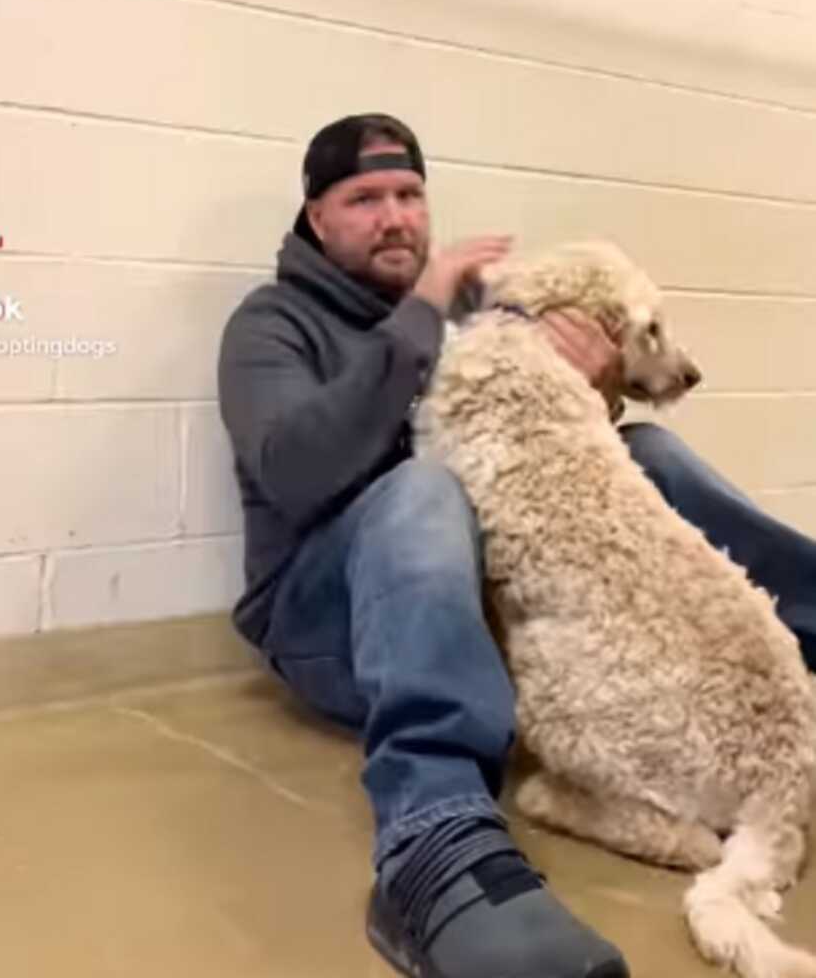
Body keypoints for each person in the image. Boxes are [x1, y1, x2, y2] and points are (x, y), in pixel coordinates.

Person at [218, 112, 816, 978]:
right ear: (317, 218)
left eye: (409, 194)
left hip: (469, 609)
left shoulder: (478, 306)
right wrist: (422, 318)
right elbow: (296, 472)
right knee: (421, 490)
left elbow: (535, 469)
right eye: (364, 199)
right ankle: (435, 840)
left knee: (647, 454)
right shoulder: (271, 326)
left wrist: (586, 386)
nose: (395, 216)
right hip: (331, 624)